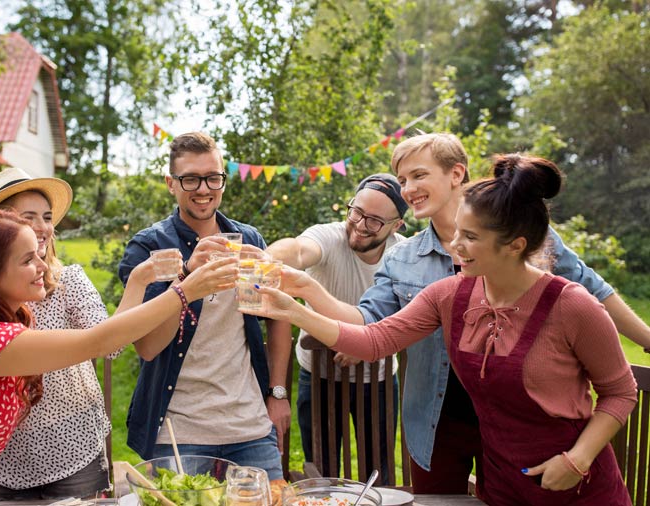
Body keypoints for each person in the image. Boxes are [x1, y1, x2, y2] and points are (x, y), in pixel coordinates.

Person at [245, 154, 636, 505]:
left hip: (576, 486)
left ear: (515, 245)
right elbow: (374, 340)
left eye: (469, 237)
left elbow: (620, 392)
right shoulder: (449, 295)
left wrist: (578, 459)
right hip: (501, 488)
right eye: (456, 233)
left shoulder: (573, 306)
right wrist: (296, 304)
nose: (454, 246)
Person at [0, 209, 238, 506]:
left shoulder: (4, 326)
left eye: (39, 254)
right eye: (26, 260)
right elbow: (97, 342)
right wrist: (186, 290)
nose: (42, 266)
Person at [117, 132, 292, 480]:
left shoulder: (248, 240)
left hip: (250, 427)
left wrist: (277, 393)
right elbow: (149, 348)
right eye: (190, 179)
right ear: (171, 184)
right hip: (179, 433)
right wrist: (187, 277)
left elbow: (276, 314)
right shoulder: (151, 248)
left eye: (213, 177)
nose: (203, 188)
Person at [0, 167, 113, 502]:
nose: (43, 227)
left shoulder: (67, 280)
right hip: (0, 457)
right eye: (28, 217)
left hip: (73, 448)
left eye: (47, 217)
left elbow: (110, 345)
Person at [266, 173, 407, 481]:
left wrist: (365, 346)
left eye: (374, 221)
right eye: (356, 212)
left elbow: (410, 317)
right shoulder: (329, 235)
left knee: (378, 471)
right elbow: (299, 250)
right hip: (319, 377)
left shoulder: (403, 255)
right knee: (322, 469)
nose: (359, 224)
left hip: (379, 380)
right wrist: (268, 258)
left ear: (396, 226)